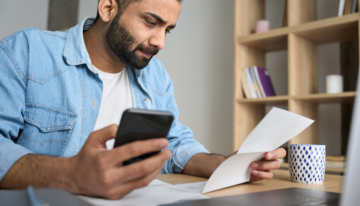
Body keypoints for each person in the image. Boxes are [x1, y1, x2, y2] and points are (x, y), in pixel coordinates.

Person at [0, 0, 286, 200]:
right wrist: (71, 174)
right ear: (108, 7)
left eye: (168, 30)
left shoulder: (155, 75)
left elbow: (173, 143)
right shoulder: (26, 51)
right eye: (151, 22)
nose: (160, 42)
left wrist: (224, 165)